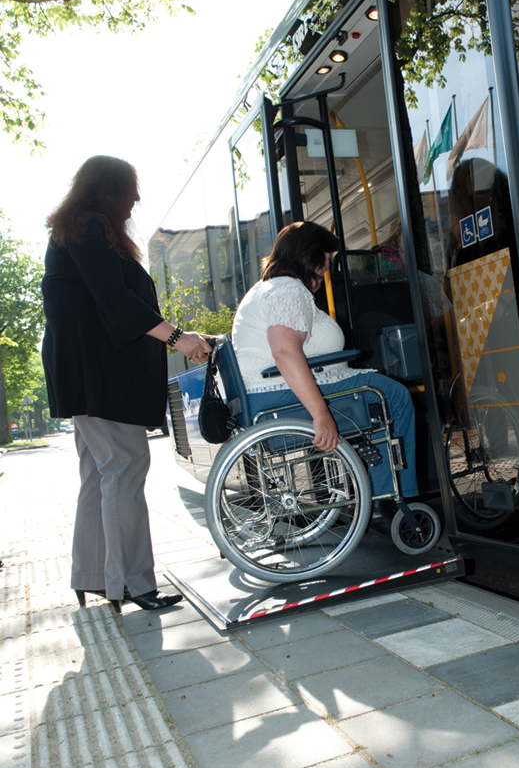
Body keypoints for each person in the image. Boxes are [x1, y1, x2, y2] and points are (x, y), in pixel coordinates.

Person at [42, 155, 213, 613]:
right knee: (125, 465)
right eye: (131, 189)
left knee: (100, 473)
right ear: (110, 188)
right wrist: (180, 338)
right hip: (100, 373)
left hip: (84, 371)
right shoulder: (89, 226)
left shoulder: (76, 227)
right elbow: (114, 299)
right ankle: (133, 582)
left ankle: (95, 575)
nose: (136, 198)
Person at [231, 220, 418, 499]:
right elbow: (284, 351)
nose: (329, 265)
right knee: (392, 395)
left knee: (379, 390)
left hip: (263, 393)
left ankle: (373, 489)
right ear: (311, 256)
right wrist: (321, 415)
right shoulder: (289, 290)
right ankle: (389, 496)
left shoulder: (269, 288)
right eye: (327, 257)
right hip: (275, 394)